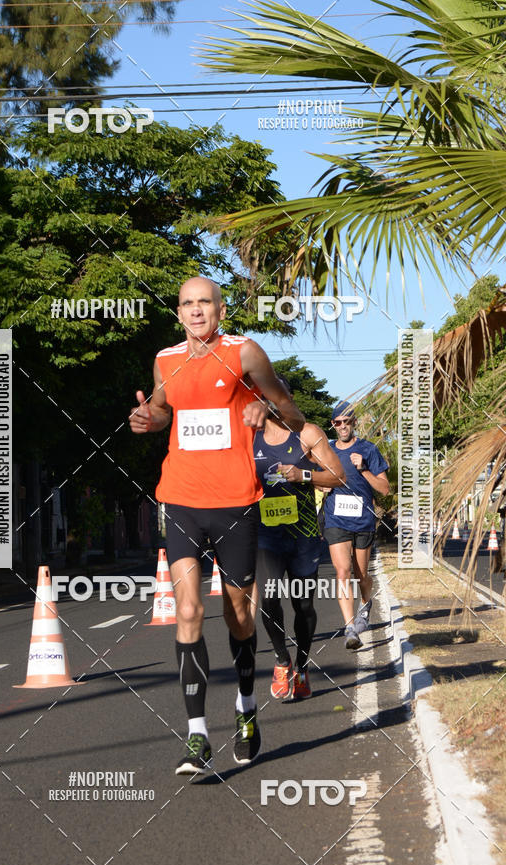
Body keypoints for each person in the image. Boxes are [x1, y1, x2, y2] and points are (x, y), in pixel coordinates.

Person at [129, 276, 306, 775]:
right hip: (181, 499)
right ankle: (197, 736)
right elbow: (163, 412)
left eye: (204, 302)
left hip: (235, 502)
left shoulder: (245, 352)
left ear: (220, 310)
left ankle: (247, 709)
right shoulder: (166, 360)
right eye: (187, 304)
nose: (196, 311)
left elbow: (292, 410)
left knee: (238, 616)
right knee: (187, 609)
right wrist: (148, 420)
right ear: (179, 312)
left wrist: (264, 407)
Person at [253, 379, 345, 701]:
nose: (274, 403)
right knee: (267, 597)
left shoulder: (308, 433)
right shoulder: (249, 437)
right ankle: (282, 660)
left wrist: (302, 474)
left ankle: (303, 667)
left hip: (304, 534)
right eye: (267, 397)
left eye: (281, 397)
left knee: (303, 605)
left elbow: (338, 476)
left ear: (289, 399)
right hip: (266, 533)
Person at [322, 402, 390, 650]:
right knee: (343, 571)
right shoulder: (326, 451)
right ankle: (350, 626)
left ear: (354, 422)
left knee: (362, 576)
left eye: (347, 421)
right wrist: (321, 486)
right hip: (336, 519)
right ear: (333, 425)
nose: (342, 426)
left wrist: (363, 470)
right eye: (337, 422)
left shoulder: (368, 450)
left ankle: (366, 602)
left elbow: (384, 488)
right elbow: (317, 481)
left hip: (363, 520)